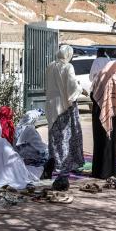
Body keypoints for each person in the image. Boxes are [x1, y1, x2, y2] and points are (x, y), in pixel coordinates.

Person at [45, 45, 85, 189]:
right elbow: (72, 86)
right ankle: (63, 171)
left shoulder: (50, 66)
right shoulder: (68, 67)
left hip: (51, 106)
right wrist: (80, 89)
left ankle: (52, 163)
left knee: (55, 137)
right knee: (66, 138)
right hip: (64, 107)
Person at [91, 61, 116, 179]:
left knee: (99, 142)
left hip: (97, 114)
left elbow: (92, 95)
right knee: (108, 142)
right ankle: (108, 172)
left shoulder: (99, 77)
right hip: (109, 114)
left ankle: (97, 172)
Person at [15, 109, 50, 179]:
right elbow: (39, 146)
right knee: (51, 154)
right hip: (33, 158)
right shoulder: (30, 130)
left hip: (21, 157)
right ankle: (46, 174)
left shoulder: (17, 128)